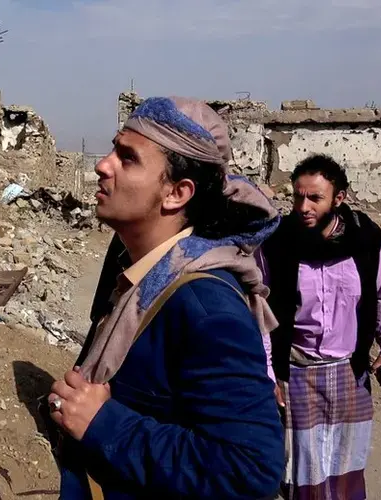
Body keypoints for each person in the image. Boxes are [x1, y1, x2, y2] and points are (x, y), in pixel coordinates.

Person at [46, 96, 284, 499]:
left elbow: (251, 468)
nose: (103, 165)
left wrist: (103, 422)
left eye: (128, 158)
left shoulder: (205, 308)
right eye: (112, 149)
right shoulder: (134, 271)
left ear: (176, 192)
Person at [257, 154, 381, 500]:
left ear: (339, 198)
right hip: (297, 372)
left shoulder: (366, 238)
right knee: (301, 469)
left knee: (346, 463)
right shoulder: (276, 243)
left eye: (315, 198)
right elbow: (259, 311)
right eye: (297, 196)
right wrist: (267, 373)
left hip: (350, 372)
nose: (303, 206)